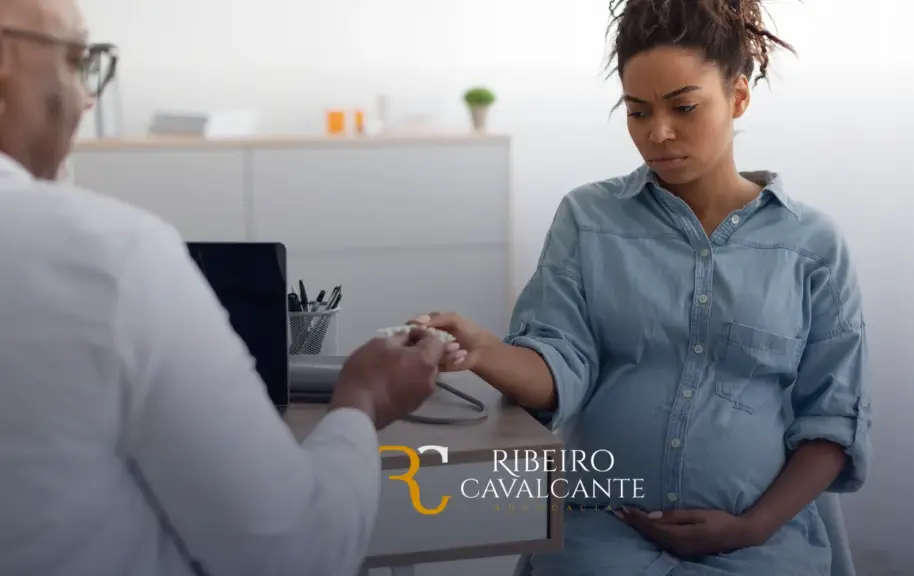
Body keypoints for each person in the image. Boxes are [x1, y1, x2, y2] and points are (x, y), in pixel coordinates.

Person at [0, 1, 461, 575]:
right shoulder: (112, 256)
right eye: (76, 60)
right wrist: (363, 400)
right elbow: (296, 552)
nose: (86, 97)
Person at [410, 0, 870, 574]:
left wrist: (752, 527)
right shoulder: (588, 217)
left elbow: (831, 416)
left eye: (684, 107)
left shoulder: (812, 245)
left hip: (758, 542)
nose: (658, 132)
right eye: (636, 112)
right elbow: (559, 366)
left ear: (739, 96)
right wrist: (483, 350)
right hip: (599, 534)